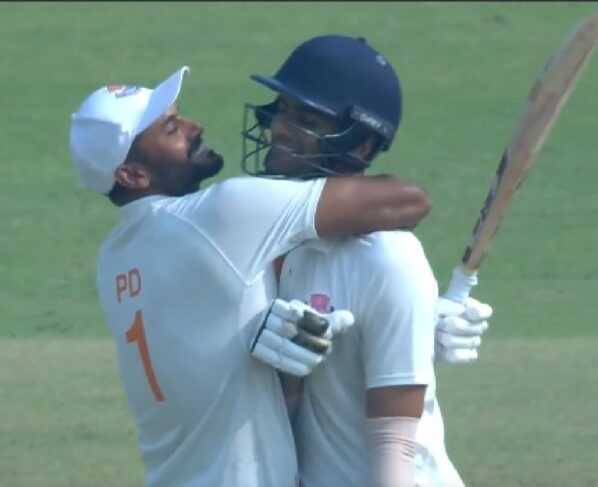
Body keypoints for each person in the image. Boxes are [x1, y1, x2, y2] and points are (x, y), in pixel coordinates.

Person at [68, 65, 433, 487]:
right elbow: (406, 201)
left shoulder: (114, 260)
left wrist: (421, 317)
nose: (194, 127)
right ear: (133, 175)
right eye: (171, 128)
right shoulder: (221, 214)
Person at [241, 35, 493, 486]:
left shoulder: (389, 261)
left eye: (305, 119)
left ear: (360, 145)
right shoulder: (269, 242)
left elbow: (396, 442)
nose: (279, 128)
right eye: (281, 110)